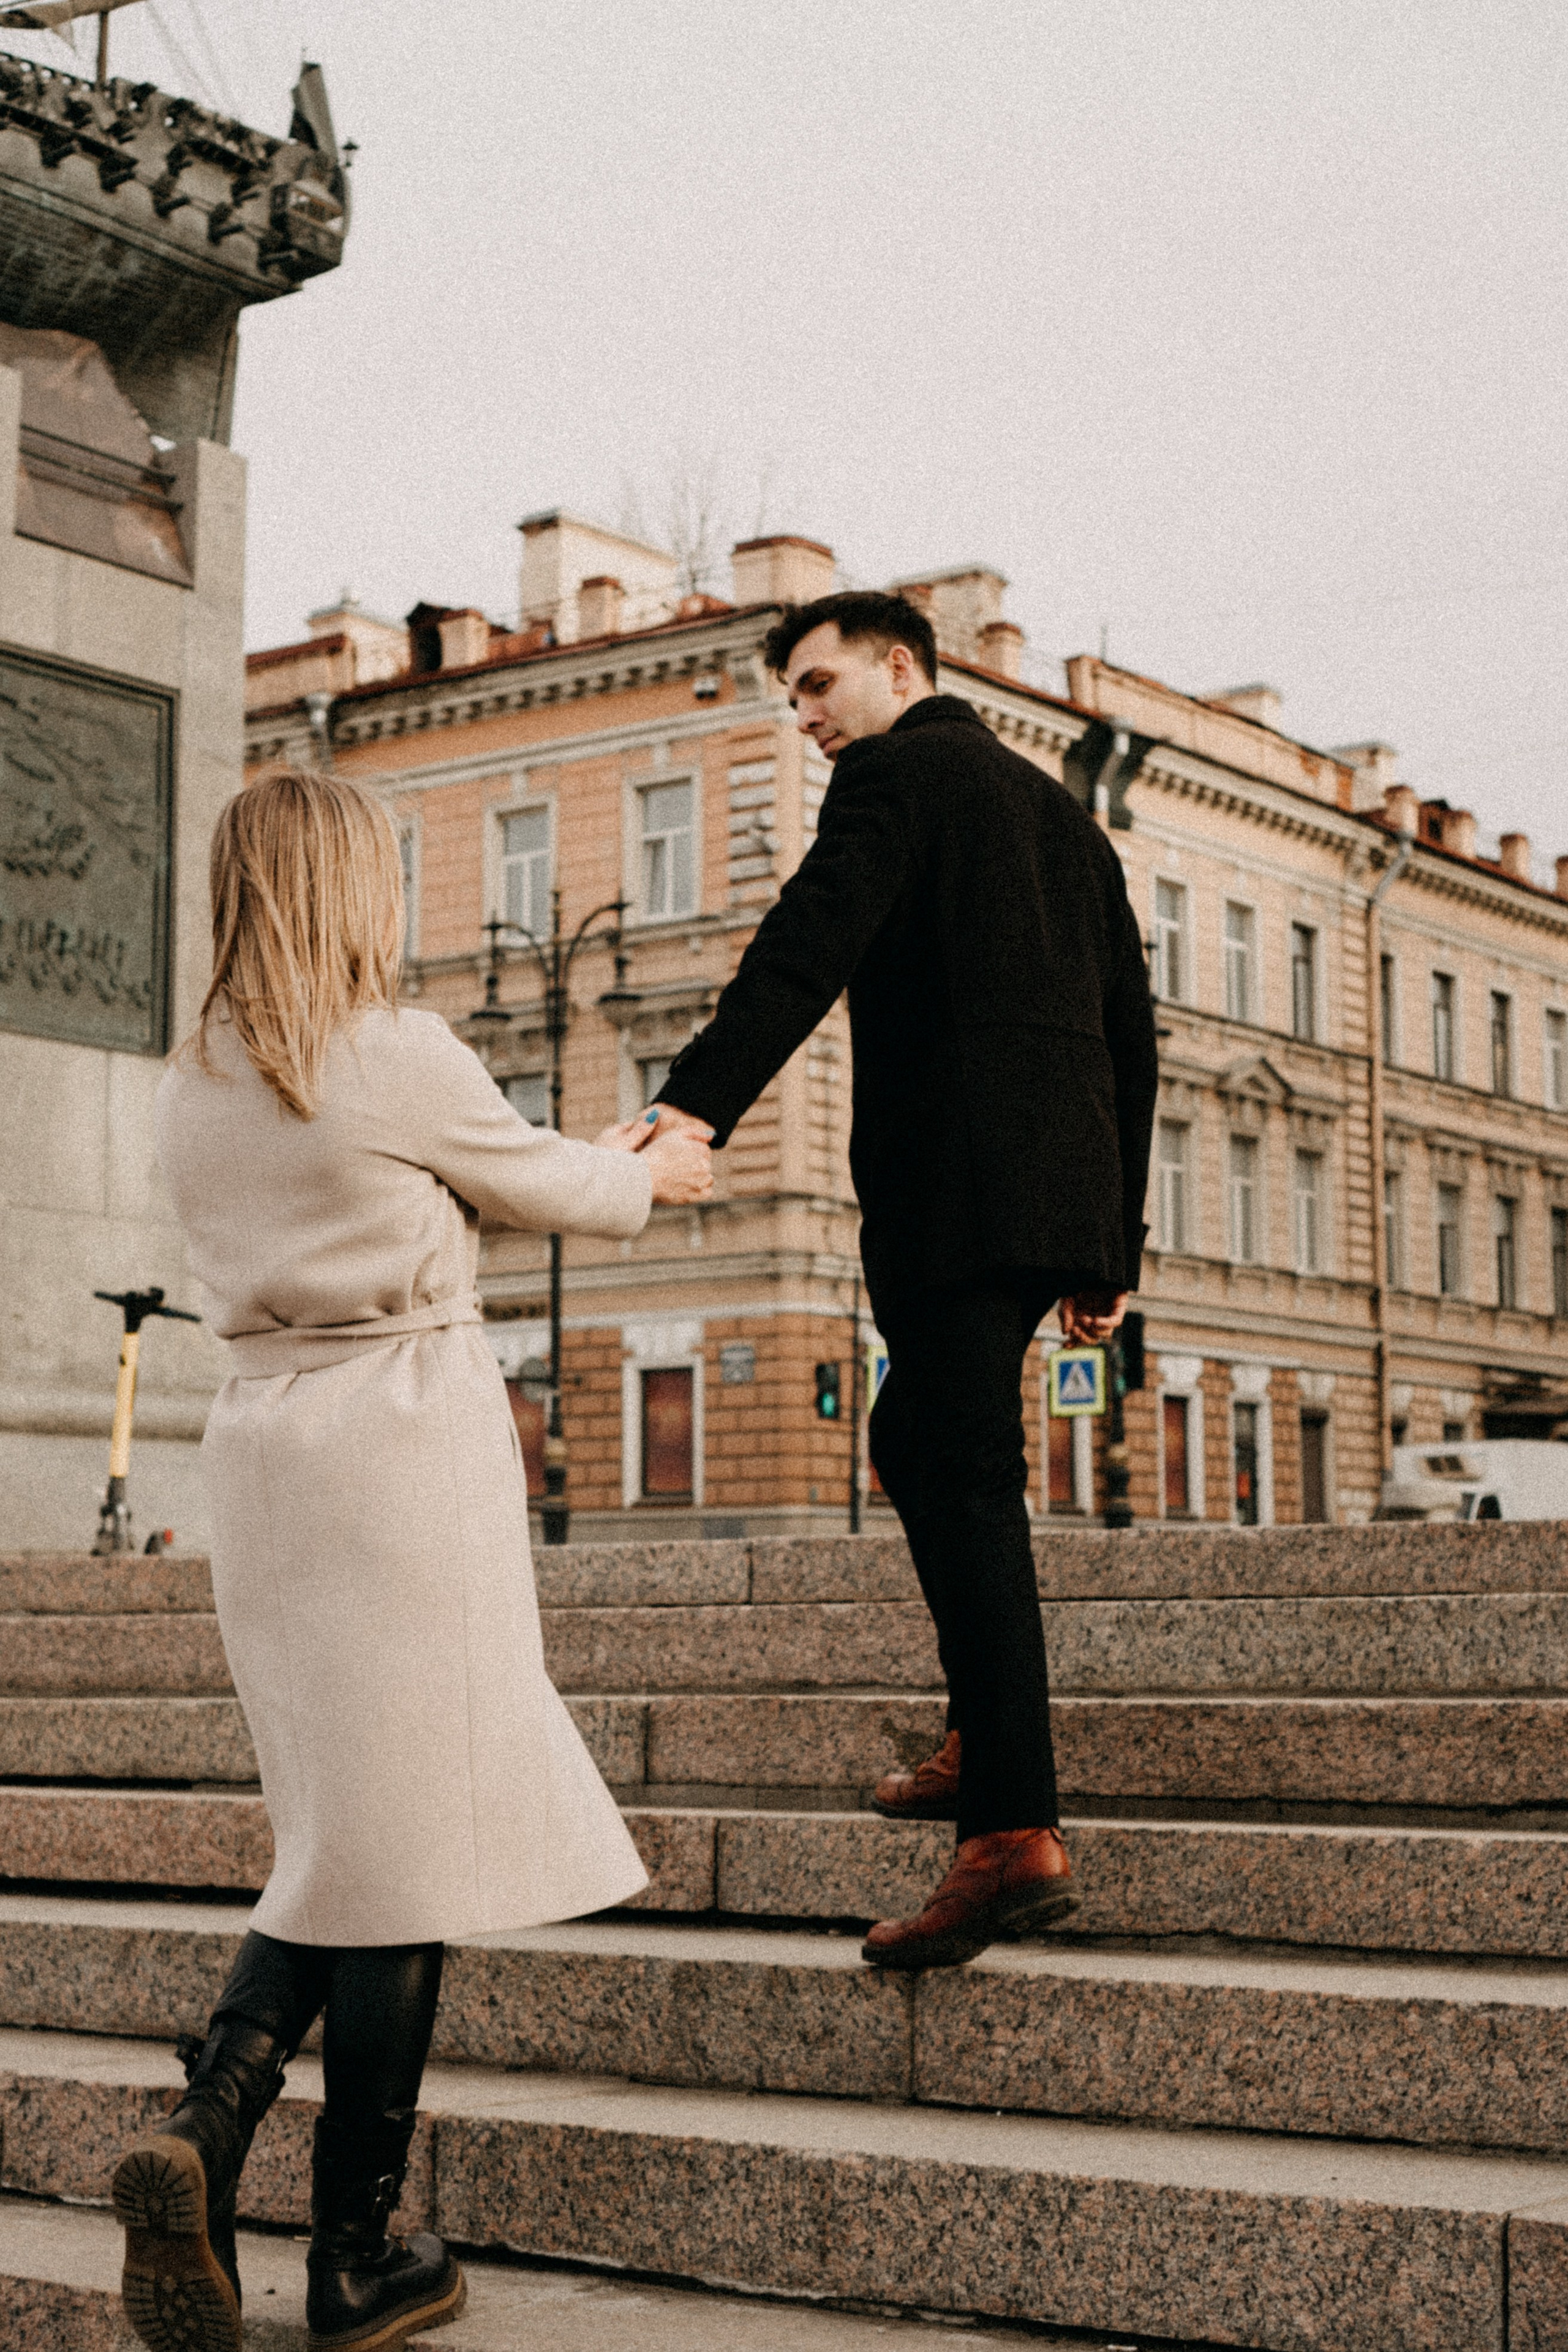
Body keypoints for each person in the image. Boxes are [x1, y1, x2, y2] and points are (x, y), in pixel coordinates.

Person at [113, 769, 711, 2352]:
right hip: (403, 1455)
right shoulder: (394, 1056)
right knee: (411, 1842)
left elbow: (403, 1196)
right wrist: (655, 1167)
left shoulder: (196, 1084)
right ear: (348, 891)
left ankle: (210, 2130)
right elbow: (554, 1186)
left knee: (337, 1830)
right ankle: (355, 2252)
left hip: (264, 1459)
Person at [649, 591, 1158, 1971]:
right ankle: (980, 1732)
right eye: (795, 700)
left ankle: (1010, 1833)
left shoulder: (894, 777)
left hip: (952, 1191)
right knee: (912, 1441)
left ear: (898, 669)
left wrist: (694, 1105)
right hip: (1049, 1193)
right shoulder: (1064, 816)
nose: (808, 719)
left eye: (819, 688)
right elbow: (1129, 1027)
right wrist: (1108, 1236)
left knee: (966, 1477)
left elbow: (806, 947)